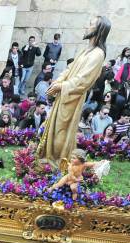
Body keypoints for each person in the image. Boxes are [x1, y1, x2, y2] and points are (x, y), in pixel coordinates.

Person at [37, 16, 110, 165]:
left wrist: (61, 86)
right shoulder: (86, 50)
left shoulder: (98, 54)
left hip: (72, 98)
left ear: (99, 30)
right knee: (54, 127)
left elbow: (83, 80)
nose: (86, 26)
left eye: (90, 25)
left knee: (61, 131)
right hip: (64, 95)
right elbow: (70, 69)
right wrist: (57, 82)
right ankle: (48, 155)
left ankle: (56, 161)